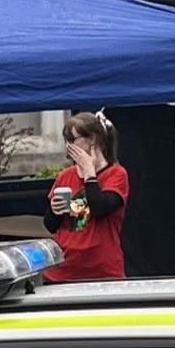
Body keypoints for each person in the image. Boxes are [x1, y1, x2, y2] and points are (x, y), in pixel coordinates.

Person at [45, 113, 130, 283]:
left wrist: (89, 174)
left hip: (102, 272)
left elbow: (100, 208)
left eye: (73, 139)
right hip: (64, 272)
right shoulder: (65, 176)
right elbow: (50, 225)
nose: (69, 145)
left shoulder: (116, 174)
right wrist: (54, 210)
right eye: (66, 140)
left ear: (92, 139)